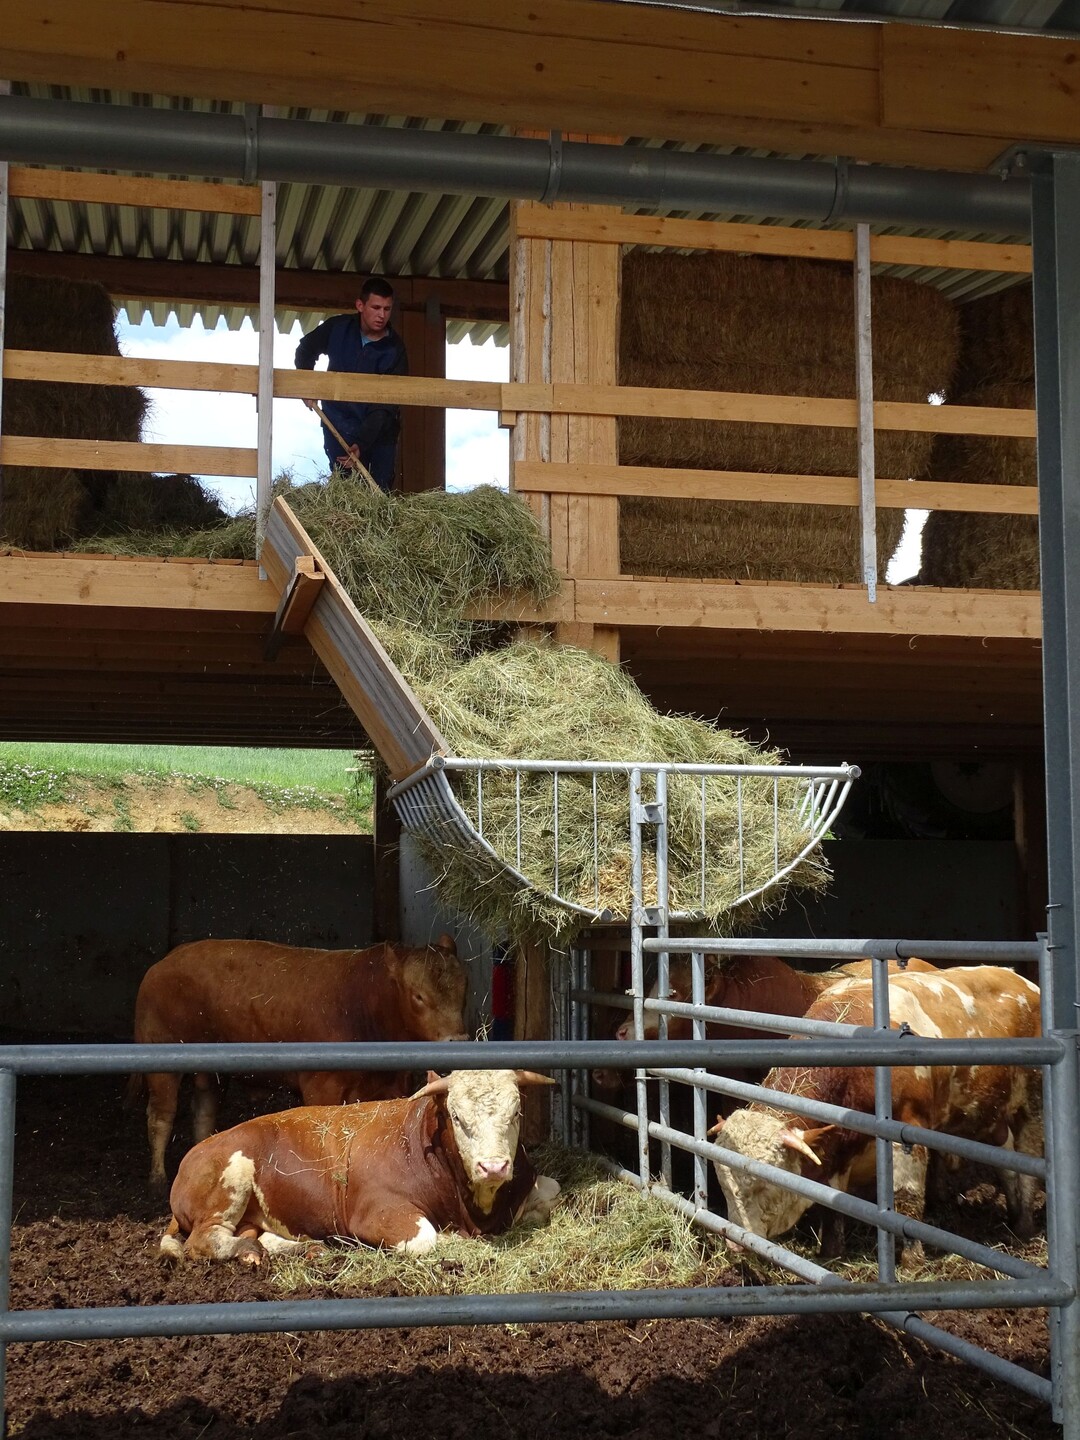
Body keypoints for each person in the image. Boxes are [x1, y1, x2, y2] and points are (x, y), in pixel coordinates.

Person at [294, 276, 408, 492]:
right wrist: (307, 384)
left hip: (379, 433)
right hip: (337, 424)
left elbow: (385, 406)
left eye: (387, 309)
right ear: (360, 305)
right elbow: (305, 349)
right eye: (376, 307)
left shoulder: (395, 350)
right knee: (344, 491)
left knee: (378, 491)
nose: (381, 315)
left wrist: (362, 444)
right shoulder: (338, 328)